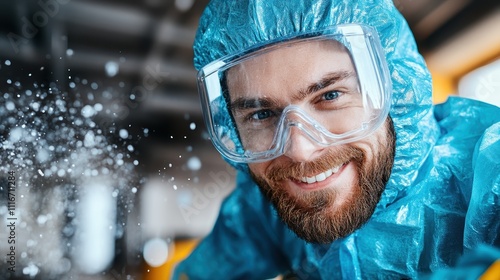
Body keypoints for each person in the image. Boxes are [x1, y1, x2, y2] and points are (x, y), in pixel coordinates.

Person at [173, 0, 500, 278]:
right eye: (261, 115)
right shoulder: (261, 208)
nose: (299, 151)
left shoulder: (487, 176)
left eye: (330, 96)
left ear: (394, 91)